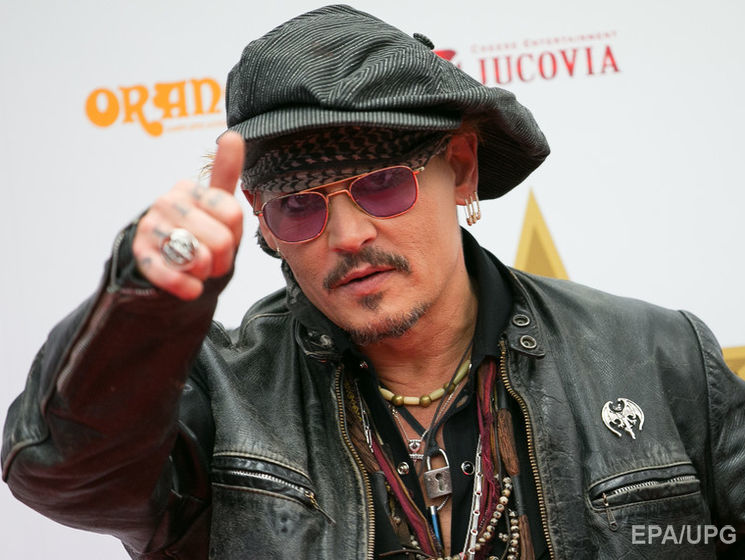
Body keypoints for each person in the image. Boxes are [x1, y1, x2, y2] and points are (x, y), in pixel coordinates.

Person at [3, 5, 744, 560]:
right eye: (300, 205)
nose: (348, 234)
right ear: (262, 220)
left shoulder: (655, 356)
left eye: (383, 184)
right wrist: (144, 305)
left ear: (461, 168)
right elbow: (60, 473)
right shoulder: (218, 399)